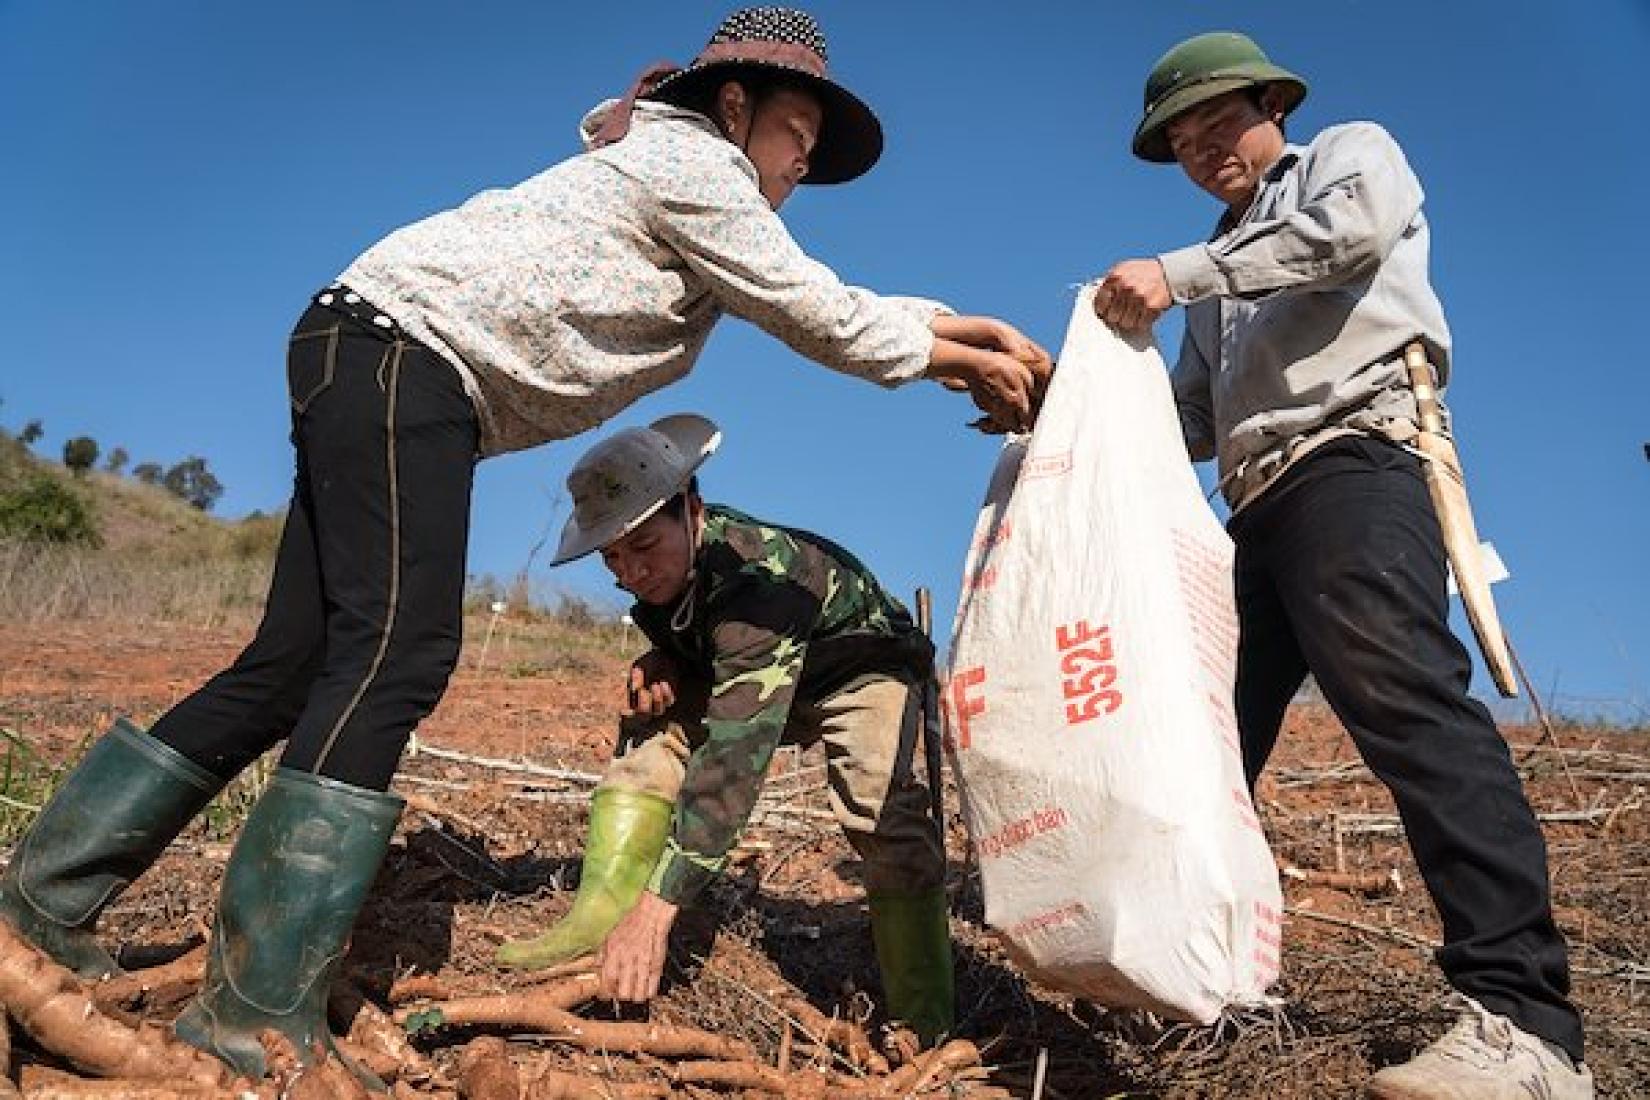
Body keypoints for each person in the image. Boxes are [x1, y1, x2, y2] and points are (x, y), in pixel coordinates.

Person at [0, 6, 1045, 1081]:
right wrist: (953, 359)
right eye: (792, 134)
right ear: (733, 106)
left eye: (809, 155)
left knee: (291, 664)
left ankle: (38, 908)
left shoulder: (693, 188)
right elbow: (817, 310)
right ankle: (250, 1011)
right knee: (396, 653)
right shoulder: (692, 164)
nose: (796, 164)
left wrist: (971, 333)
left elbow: (831, 296)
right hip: (409, 360)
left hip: (364, 349)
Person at [1090, 32, 1590, 1100]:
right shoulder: (1218, 274)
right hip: (1254, 507)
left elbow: (1347, 237)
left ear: (1270, 101)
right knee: (1206, 737)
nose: (1201, 150)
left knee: (1404, 701)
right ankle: (1202, 969)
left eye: (1216, 122)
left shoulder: (1345, 158)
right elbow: (1188, 414)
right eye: (1181, 141)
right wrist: (1067, 403)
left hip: (1355, 459)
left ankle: (1526, 1022)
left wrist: (1176, 276)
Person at [496, 413, 953, 1046]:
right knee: (649, 747)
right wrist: (666, 663)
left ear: (692, 509)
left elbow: (733, 765)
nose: (629, 573)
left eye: (644, 548)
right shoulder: (672, 575)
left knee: (878, 802)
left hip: (859, 669)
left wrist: (661, 910)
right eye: (612, 557)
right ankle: (596, 920)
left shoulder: (759, 585)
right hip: (763, 672)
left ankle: (925, 1017)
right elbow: (704, 650)